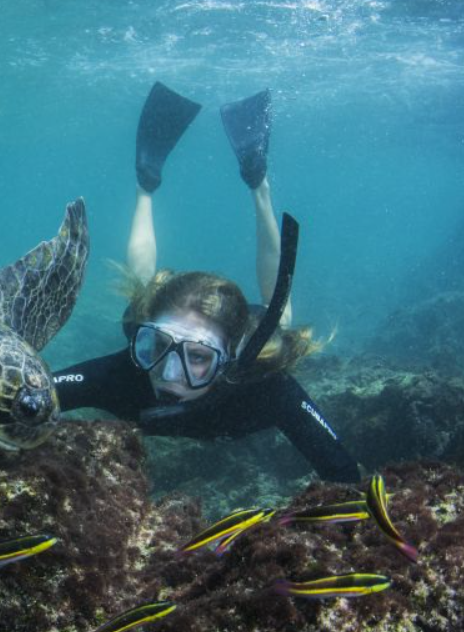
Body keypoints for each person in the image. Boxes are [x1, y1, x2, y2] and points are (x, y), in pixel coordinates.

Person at [53, 82, 360, 483]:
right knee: (141, 291)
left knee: (277, 319)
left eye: (198, 358)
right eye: (159, 347)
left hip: (248, 341)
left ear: (228, 360)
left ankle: (258, 183)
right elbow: (30, 394)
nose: (168, 374)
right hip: (159, 313)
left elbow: (343, 472)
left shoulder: (263, 389)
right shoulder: (125, 373)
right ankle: (146, 182)